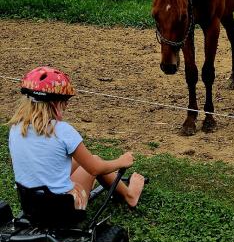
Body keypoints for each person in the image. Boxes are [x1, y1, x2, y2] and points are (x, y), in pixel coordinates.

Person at [8, 66, 145, 211]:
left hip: (30, 204)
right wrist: (121, 161)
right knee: (95, 161)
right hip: (62, 208)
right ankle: (130, 196)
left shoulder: (15, 128)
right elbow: (94, 169)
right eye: (65, 100)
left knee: (79, 161)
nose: (66, 105)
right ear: (55, 102)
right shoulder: (62, 130)